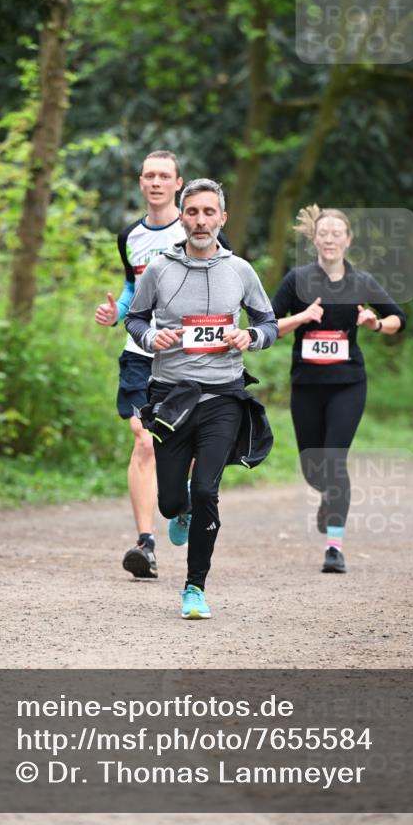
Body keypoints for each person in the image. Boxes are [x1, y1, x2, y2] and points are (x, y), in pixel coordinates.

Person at [125, 179, 277, 619]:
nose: (200, 220)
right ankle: (182, 506)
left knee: (208, 489)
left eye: (209, 212)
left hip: (223, 396)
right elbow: (135, 319)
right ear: (183, 218)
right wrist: (151, 338)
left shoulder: (240, 270)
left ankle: (194, 587)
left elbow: (268, 323)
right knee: (170, 501)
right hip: (172, 398)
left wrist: (250, 336)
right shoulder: (160, 270)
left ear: (222, 218)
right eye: (192, 212)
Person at [270, 205, 407, 574]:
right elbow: (267, 325)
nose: (329, 239)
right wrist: (301, 317)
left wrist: (375, 323)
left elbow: (398, 318)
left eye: (336, 234)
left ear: (348, 240)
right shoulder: (297, 280)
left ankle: (334, 547)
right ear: (314, 239)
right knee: (313, 469)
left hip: (348, 384)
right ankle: (328, 496)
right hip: (307, 385)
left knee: (334, 459)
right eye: (323, 233)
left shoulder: (361, 281)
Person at [94, 151, 184, 580]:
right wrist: (116, 313)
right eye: (150, 175)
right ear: (141, 182)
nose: (156, 182)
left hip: (186, 356)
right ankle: (145, 544)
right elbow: (132, 289)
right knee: (144, 440)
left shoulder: (195, 228)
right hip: (139, 351)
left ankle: (182, 501)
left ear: (178, 183)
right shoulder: (129, 236)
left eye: (164, 176)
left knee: (183, 444)